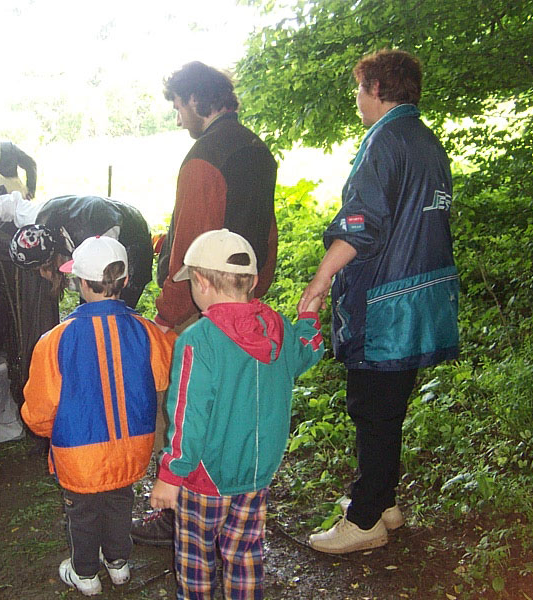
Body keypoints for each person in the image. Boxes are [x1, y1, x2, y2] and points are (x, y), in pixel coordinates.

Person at [298, 49, 459, 554]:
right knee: (389, 408)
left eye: (359, 88)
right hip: (424, 298)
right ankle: (384, 500)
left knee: (371, 408)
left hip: (387, 302)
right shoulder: (426, 140)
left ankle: (365, 519)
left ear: (376, 89)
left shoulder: (384, 141)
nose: (357, 99)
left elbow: (360, 225)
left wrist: (320, 280)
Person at [134, 60, 280, 546]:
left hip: (202, 304)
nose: (178, 118)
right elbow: (267, 230)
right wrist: (255, 288)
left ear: (197, 100)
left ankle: (178, 512)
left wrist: (169, 311)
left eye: (178, 106)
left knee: (186, 406)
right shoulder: (257, 150)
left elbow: (190, 248)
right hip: (245, 295)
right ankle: (232, 504)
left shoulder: (205, 156)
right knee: (234, 408)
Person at [149, 229, 324, 599]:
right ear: (254, 281)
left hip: (206, 477)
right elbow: (306, 351)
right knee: (244, 554)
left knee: (196, 561)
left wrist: (171, 475)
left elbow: (188, 416)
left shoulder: (199, 340)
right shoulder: (278, 328)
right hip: (257, 473)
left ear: (200, 282)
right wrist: (308, 317)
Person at [21, 236, 175, 596]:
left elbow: (38, 411)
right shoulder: (147, 330)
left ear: (79, 283)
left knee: (82, 511)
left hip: (79, 448)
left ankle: (86, 573)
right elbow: (163, 376)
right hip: (133, 444)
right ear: (125, 280)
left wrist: (52, 431)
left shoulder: (55, 340)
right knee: (121, 502)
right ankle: (119, 564)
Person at [0, 193, 152, 309]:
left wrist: (73, 285)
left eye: (39, 270)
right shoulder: (37, 219)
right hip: (95, 217)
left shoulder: (93, 245)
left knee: (111, 309)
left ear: (50, 263)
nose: (40, 275)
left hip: (130, 234)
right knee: (88, 312)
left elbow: (104, 282)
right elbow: (13, 205)